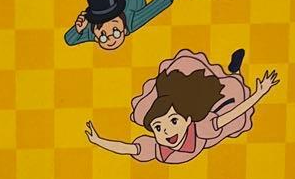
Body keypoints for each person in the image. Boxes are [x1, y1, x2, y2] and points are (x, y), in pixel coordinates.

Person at [86, 49, 279, 166]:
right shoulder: (154, 148)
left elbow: (232, 114)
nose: (166, 131)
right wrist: (98, 140)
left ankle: (234, 71)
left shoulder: (203, 127)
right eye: (158, 127)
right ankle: (234, 72)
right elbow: (126, 148)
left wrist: (260, 93)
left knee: (230, 95)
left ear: (187, 120)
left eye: (173, 121)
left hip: (211, 133)